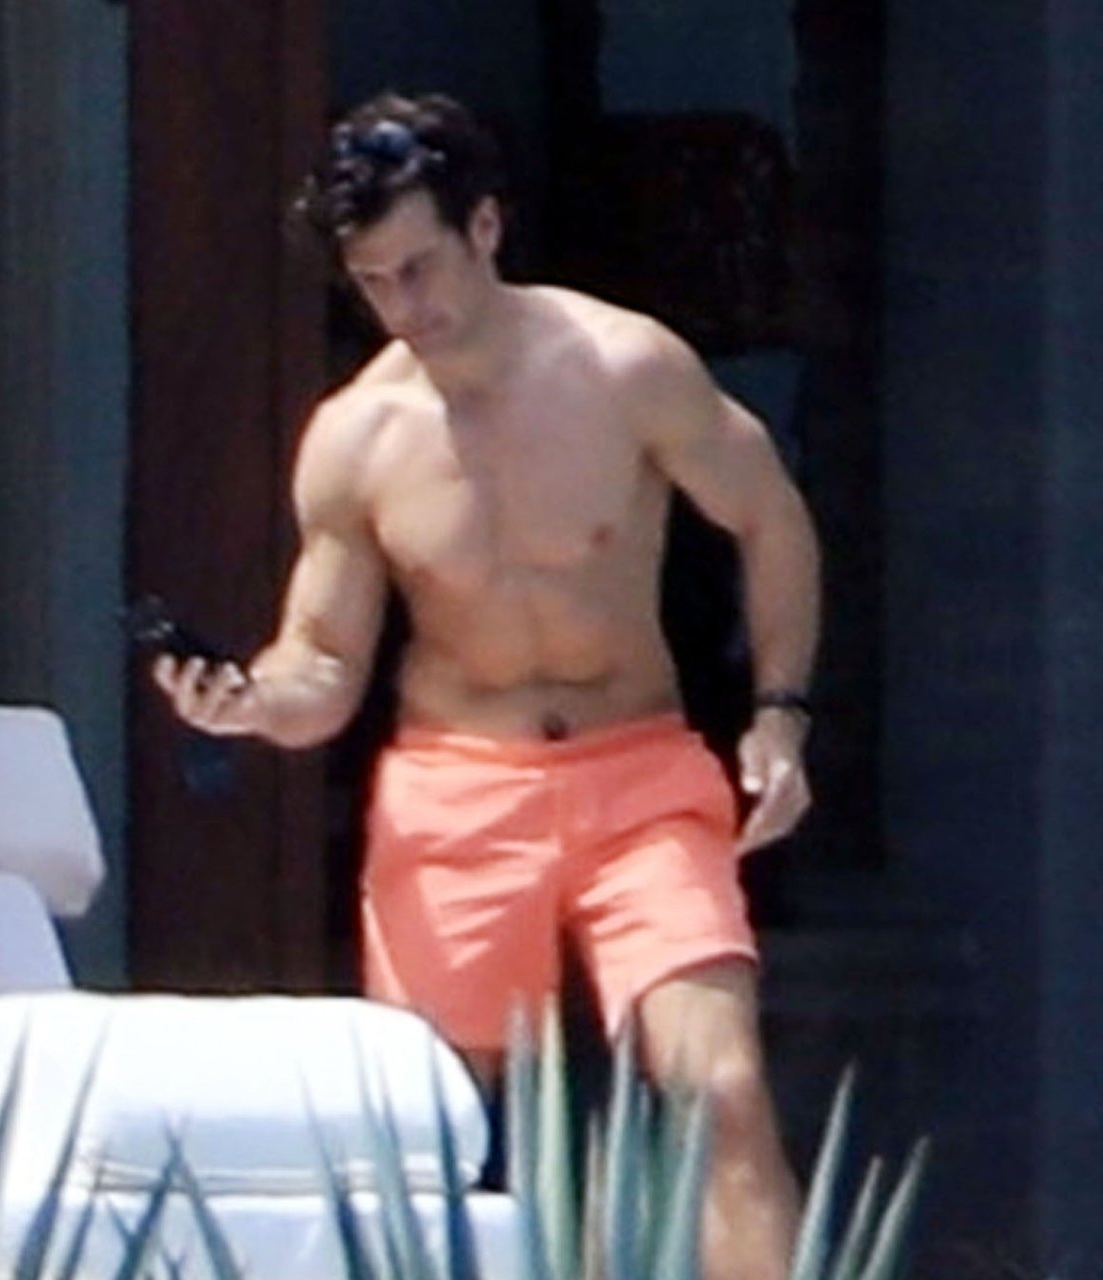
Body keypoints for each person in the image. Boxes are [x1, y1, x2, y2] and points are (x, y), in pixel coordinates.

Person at [151, 92, 818, 1280]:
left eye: (420, 267)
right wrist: (248, 701)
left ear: (488, 228)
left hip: (635, 770)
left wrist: (781, 711)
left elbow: (770, 516)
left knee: (720, 1082)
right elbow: (323, 663)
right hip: (457, 788)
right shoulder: (357, 433)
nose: (406, 305)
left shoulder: (624, 365)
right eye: (375, 282)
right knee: (429, 1134)